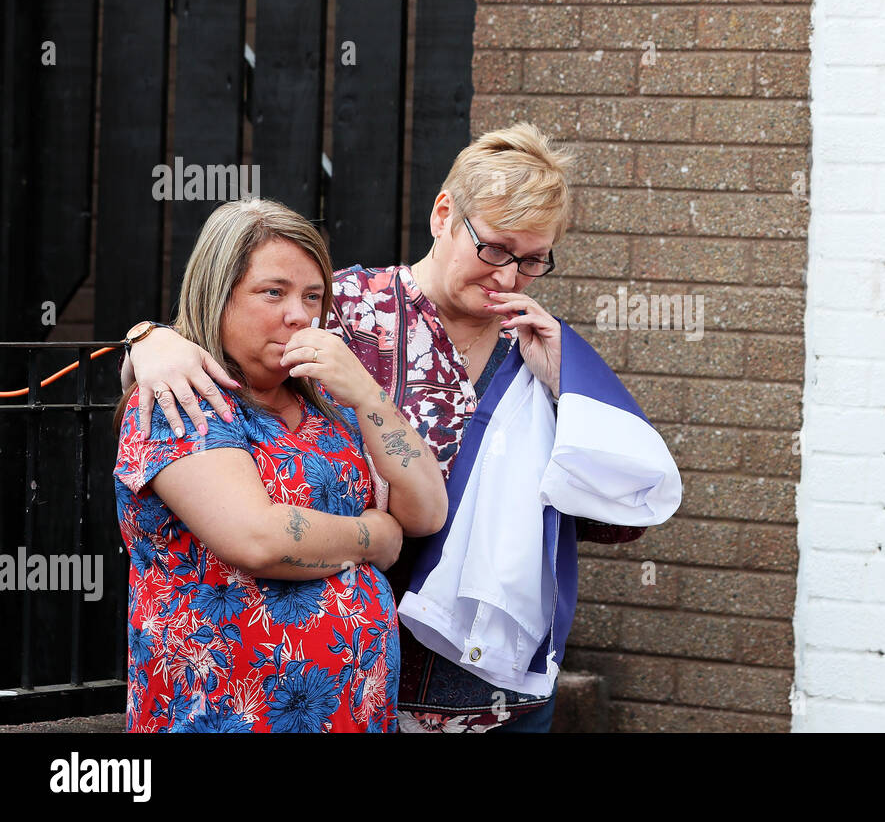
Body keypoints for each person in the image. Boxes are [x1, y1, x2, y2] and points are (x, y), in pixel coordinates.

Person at [121, 124, 679, 732]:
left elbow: (623, 515)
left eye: (533, 259)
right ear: (444, 214)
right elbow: (219, 331)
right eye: (493, 249)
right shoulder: (348, 309)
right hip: (366, 680)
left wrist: (565, 386)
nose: (509, 278)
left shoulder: (540, 349)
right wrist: (147, 340)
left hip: (498, 683)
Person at [113, 198, 446, 732]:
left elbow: (427, 511)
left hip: (350, 711)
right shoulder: (182, 398)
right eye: (274, 292)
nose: (299, 314)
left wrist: (368, 396)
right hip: (225, 710)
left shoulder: (326, 404)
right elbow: (259, 540)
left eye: (312, 296)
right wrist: (375, 536)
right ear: (218, 294)